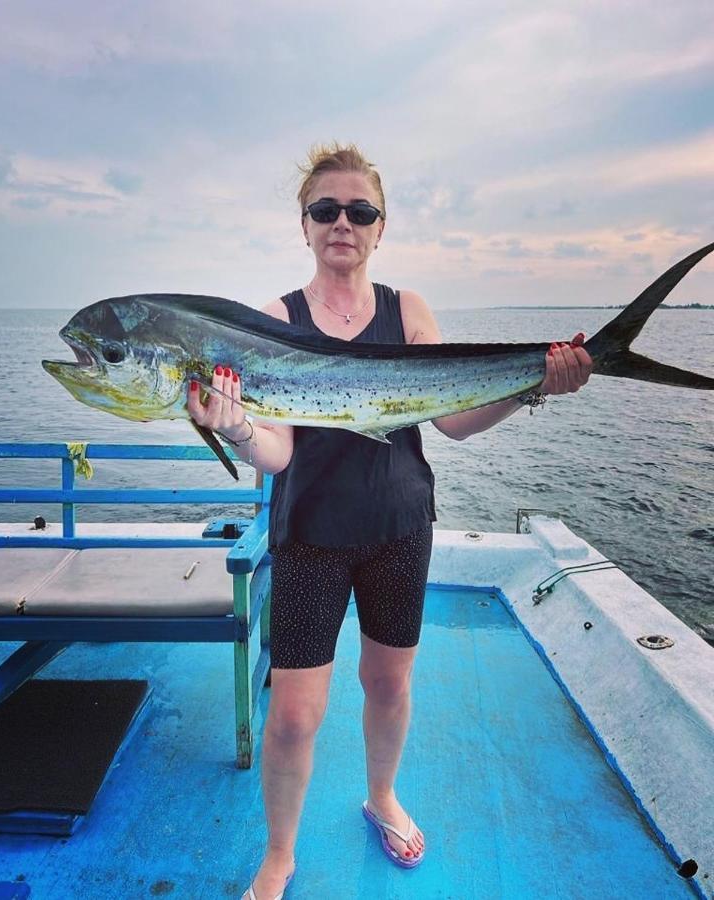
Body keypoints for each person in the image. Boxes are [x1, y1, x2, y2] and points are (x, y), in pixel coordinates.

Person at [188, 143, 592, 900]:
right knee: (295, 717)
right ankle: (279, 856)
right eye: (326, 209)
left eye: (360, 210)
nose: (344, 222)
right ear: (304, 225)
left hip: (400, 527)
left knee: (388, 682)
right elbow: (275, 450)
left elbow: (455, 420)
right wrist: (235, 425)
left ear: (381, 228)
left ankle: (381, 797)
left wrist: (534, 384)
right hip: (309, 533)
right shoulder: (277, 319)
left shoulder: (409, 310)